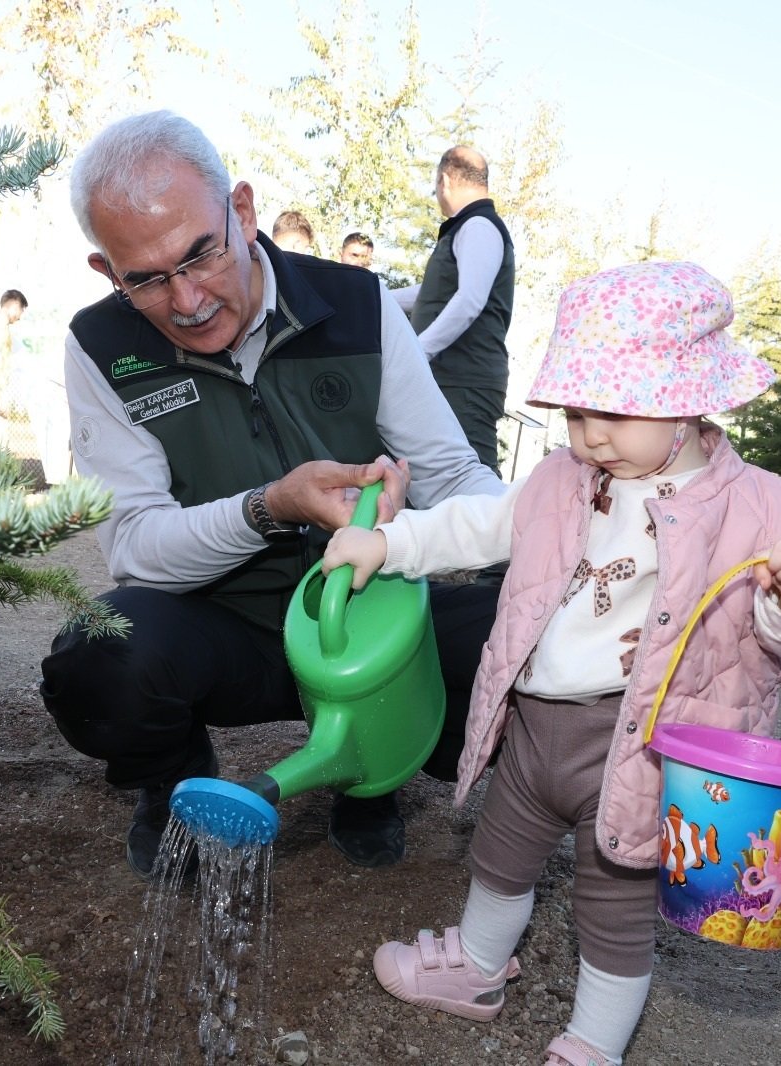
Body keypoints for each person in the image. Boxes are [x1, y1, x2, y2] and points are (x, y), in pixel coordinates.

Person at [322, 261, 781, 1066]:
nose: (589, 433)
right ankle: (477, 967)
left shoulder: (760, 510)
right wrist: (390, 544)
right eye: (575, 409)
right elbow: (477, 526)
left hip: (643, 743)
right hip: (537, 724)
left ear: (687, 401)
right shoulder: (564, 479)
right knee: (499, 855)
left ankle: (595, 1044)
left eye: (612, 410)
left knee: (616, 903)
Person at [39, 111, 505, 880]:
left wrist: (547, 545)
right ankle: (171, 781)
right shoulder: (99, 347)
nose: (187, 300)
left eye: (201, 256)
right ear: (107, 273)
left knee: (520, 636)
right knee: (100, 655)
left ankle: (372, 772)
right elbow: (132, 546)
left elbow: (455, 477)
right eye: (146, 280)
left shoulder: (359, 304)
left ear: (245, 212)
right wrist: (269, 507)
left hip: (368, 630)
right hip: (224, 630)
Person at [394, 146, 515, 473]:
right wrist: (378, 296)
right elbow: (434, 294)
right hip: (451, 379)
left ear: (444, 180)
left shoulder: (478, 226)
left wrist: (419, 352)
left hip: (465, 380)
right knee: (437, 474)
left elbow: (470, 300)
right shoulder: (470, 227)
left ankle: (498, 527)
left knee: (474, 477)